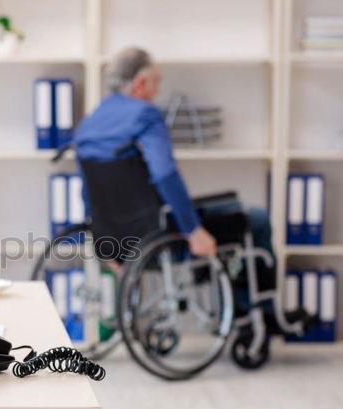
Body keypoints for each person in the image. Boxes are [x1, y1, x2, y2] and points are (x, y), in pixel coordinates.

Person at [74, 47, 272, 260]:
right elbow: (164, 174)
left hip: (116, 239)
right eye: (156, 82)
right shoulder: (146, 114)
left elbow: (89, 191)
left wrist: (104, 244)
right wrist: (193, 230)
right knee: (257, 220)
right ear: (141, 83)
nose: (158, 91)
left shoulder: (88, 124)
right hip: (155, 233)